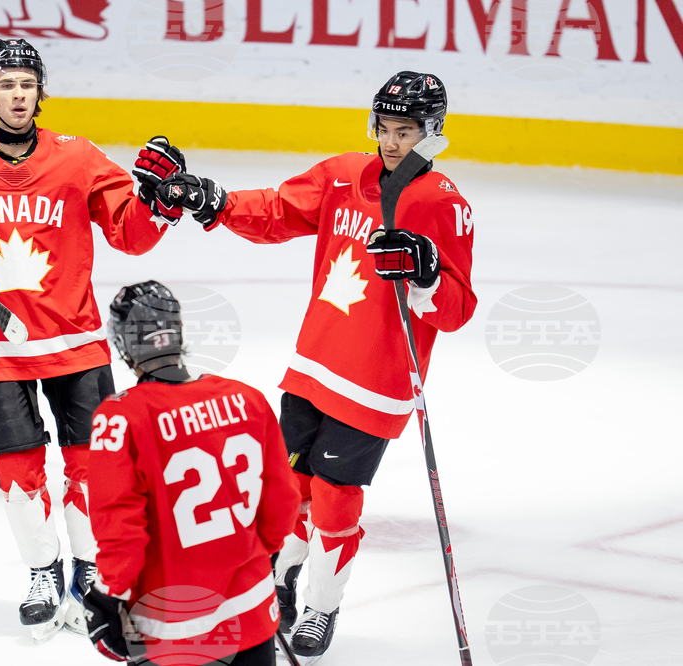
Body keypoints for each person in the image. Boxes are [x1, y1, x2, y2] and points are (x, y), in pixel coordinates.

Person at [151, 72, 477, 660]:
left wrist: (426, 271)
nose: (393, 142)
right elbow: (277, 211)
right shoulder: (343, 174)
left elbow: (457, 308)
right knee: (287, 487)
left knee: (333, 498)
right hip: (314, 362)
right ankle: (275, 583)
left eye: (407, 131)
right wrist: (212, 199)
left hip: (376, 382)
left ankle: (321, 606)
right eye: (385, 127)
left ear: (432, 132)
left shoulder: (442, 203)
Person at [0, 38, 187, 643]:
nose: (17, 95)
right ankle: (44, 570)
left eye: (26, 84)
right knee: (19, 470)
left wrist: (159, 202)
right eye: (6, 84)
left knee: (90, 465)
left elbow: (130, 234)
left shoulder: (78, 157)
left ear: (41, 92)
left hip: (76, 340)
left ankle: (90, 570)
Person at [83, 281, 301, 666]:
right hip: (251, 614)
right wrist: (257, 558)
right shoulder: (247, 398)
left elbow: (120, 529)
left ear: (124, 344)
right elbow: (283, 502)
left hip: (172, 632)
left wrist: (105, 596)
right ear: (177, 332)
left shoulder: (120, 419)